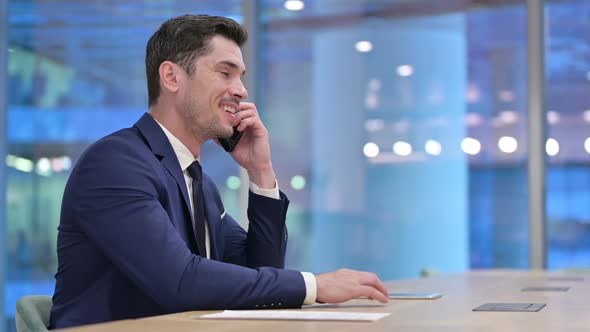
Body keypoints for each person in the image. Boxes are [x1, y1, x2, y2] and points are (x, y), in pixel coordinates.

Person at [50, 14, 389, 329]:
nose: (241, 90)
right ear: (171, 77)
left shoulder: (199, 184)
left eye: (241, 76)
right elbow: (180, 281)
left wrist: (261, 171)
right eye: (225, 73)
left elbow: (260, 273)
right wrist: (315, 285)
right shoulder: (116, 163)